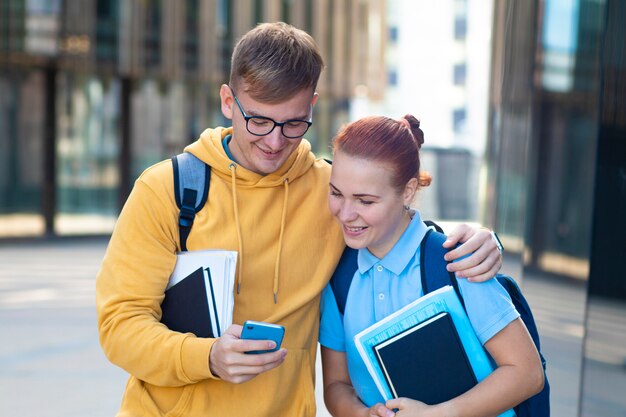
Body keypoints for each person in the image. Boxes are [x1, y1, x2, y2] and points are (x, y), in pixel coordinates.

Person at [96, 23, 504, 417]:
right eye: (258, 120)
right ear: (227, 101)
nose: (275, 142)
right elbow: (120, 326)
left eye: (293, 123)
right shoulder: (167, 189)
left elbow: (398, 224)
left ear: (312, 104)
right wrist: (207, 357)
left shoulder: (332, 192)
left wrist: (482, 240)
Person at [319, 115, 545, 417]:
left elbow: (527, 373)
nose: (346, 214)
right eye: (336, 193)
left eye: (365, 201)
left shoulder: (460, 262)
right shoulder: (340, 274)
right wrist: (363, 414)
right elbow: (336, 385)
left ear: (408, 191)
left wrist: (436, 414)